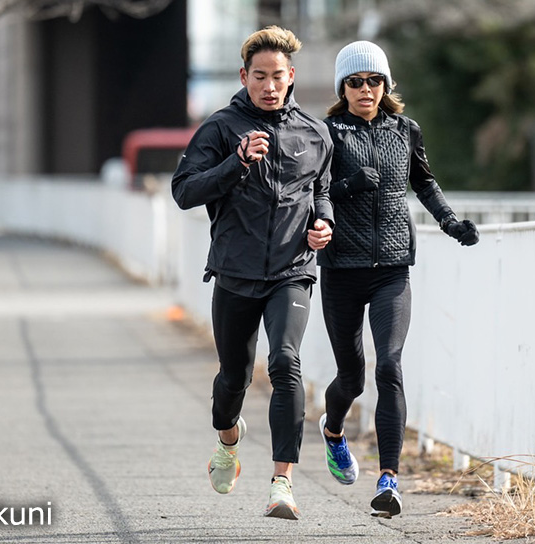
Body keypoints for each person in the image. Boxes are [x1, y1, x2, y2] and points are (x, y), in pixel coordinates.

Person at [172, 26, 334, 520]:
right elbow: (184, 191)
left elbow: (321, 189)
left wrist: (324, 222)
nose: (268, 85)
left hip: (293, 271)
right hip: (236, 273)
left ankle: (282, 483)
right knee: (233, 381)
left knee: (286, 364)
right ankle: (228, 439)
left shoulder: (316, 132)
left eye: (277, 76)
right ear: (244, 76)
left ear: (291, 78)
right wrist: (235, 165)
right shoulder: (221, 129)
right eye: (259, 76)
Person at [316, 40, 479, 518]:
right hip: (342, 271)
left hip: (391, 269)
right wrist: (349, 186)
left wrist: (450, 222)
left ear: (386, 85)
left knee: (389, 365)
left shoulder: (405, 130)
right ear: (342, 89)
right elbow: (315, 192)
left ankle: (389, 480)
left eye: (374, 81)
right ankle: (332, 429)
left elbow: (423, 182)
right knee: (352, 377)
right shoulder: (327, 134)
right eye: (355, 82)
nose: (365, 89)